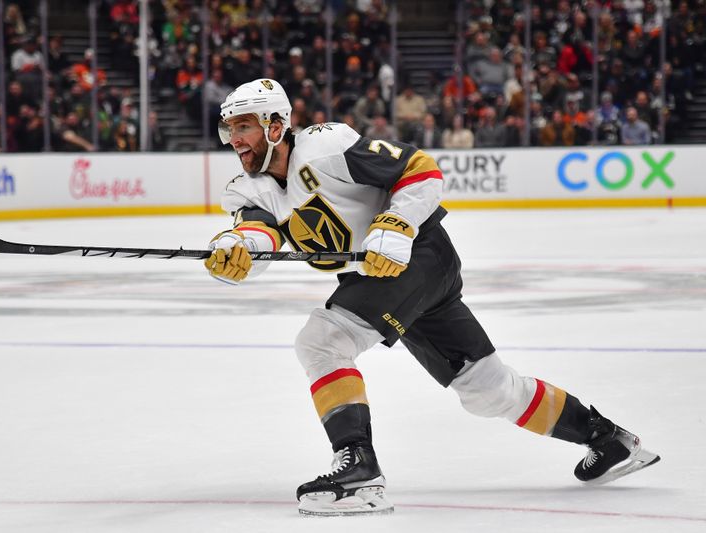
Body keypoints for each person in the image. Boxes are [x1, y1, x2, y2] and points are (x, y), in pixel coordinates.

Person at [204, 78, 660, 517]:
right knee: (487, 389)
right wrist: (238, 250)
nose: (234, 139)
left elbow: (419, 167)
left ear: (276, 125)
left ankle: (358, 472)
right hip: (392, 274)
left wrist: (396, 224)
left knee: (322, 343)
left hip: (417, 256)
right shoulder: (248, 186)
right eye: (230, 129)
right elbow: (257, 228)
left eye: (243, 126)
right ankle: (610, 439)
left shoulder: (327, 146)